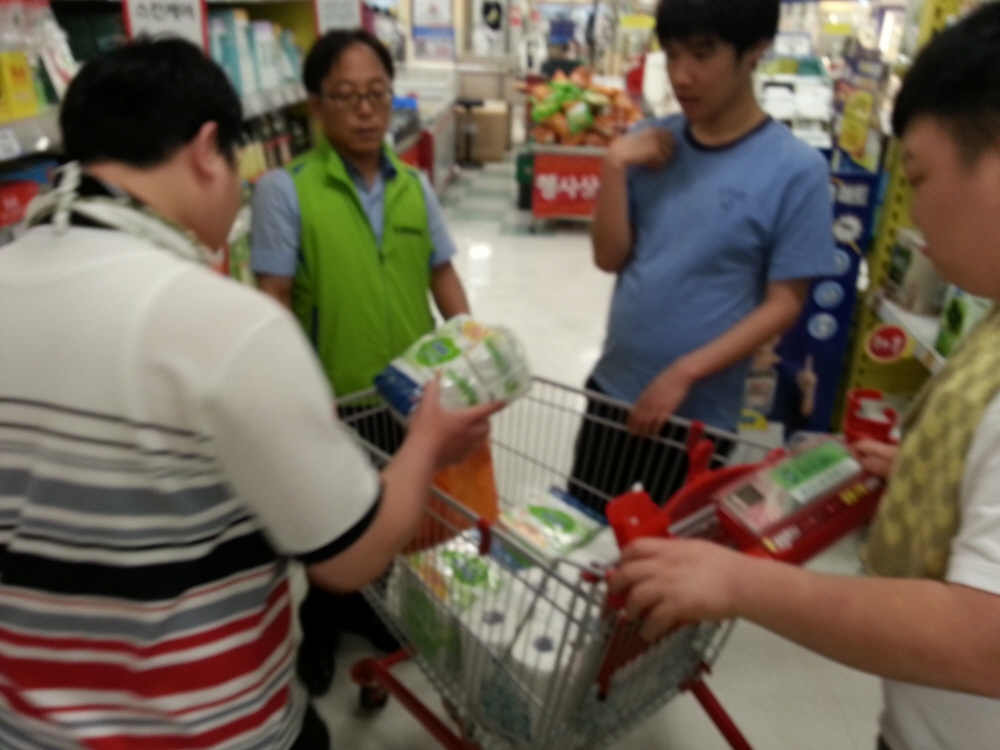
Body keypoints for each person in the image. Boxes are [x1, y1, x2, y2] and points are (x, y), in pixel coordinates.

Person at [0, 38, 500, 750]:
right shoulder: (227, 325)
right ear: (209, 149)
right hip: (212, 728)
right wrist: (426, 444)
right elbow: (349, 559)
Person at [612, 6, 1000, 749]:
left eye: (919, 177)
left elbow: (986, 636)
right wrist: (928, 473)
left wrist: (741, 584)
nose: (915, 216)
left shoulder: (791, 169)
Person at [249, 29, 472, 696]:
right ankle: (320, 629)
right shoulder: (286, 190)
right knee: (331, 526)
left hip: (408, 397)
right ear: (317, 106)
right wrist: (293, 391)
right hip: (333, 396)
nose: (367, 110)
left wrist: (471, 348)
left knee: (393, 515)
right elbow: (273, 299)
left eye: (377, 94)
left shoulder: (413, 186)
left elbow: (441, 273)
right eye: (347, 96)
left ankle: (371, 611)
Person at [569, 0, 836, 511]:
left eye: (703, 53)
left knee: (667, 548)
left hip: (701, 414)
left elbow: (784, 304)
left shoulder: (796, 170)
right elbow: (609, 258)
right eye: (671, 54)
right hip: (615, 384)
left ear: (755, 50)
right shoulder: (650, 143)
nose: (681, 76)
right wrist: (614, 166)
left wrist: (685, 372)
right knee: (581, 526)